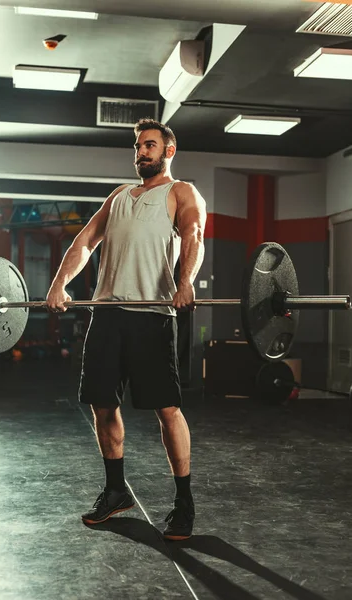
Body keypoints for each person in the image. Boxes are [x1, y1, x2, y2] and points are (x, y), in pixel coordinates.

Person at [46, 118, 207, 540]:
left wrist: (186, 281)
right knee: (102, 403)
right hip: (106, 314)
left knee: (166, 409)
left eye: (150, 146)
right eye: (138, 147)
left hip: (152, 315)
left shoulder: (181, 192)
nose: (142, 152)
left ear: (168, 151)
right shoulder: (118, 195)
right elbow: (84, 241)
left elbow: (193, 233)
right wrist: (60, 283)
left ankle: (184, 500)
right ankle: (116, 491)